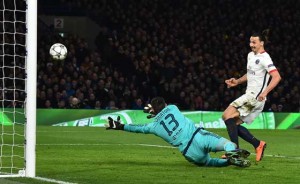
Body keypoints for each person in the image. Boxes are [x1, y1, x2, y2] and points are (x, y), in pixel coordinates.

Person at [106, 97, 251, 167]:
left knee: (209, 162)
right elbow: (164, 109)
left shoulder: (153, 127)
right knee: (228, 144)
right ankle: (231, 153)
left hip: (188, 152)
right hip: (198, 136)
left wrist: (120, 126)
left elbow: (138, 128)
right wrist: (154, 111)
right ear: (165, 105)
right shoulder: (173, 108)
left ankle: (230, 162)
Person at [222, 30, 281, 162]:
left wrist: (265, 92)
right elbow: (250, 74)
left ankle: (234, 151)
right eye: (250, 42)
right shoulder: (250, 55)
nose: (251, 45)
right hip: (250, 96)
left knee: (227, 115)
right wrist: (237, 81)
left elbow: (276, 77)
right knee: (233, 124)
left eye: (254, 42)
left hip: (255, 97)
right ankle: (257, 144)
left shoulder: (265, 58)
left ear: (262, 43)